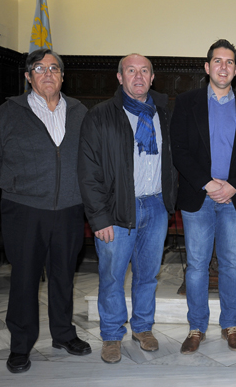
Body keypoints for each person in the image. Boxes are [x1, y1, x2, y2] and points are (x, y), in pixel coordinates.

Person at [0, 49, 91, 373]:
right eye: (40, 68)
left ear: (62, 76)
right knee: (24, 279)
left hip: (69, 209)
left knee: (63, 276)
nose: (48, 73)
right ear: (28, 76)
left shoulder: (80, 111)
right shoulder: (9, 112)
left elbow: (91, 157)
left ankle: (63, 334)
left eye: (54, 68)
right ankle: (20, 345)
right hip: (24, 210)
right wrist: (13, 183)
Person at [77, 54, 178, 364]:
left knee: (148, 275)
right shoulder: (100, 115)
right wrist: (99, 218)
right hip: (116, 209)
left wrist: (171, 199)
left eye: (144, 70)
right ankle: (111, 334)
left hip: (156, 206)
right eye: (131, 70)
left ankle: (143, 327)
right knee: (112, 275)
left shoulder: (164, 113)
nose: (138, 76)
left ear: (152, 77)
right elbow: (88, 171)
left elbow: (175, 160)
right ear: (120, 77)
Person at [170, 39, 236, 354]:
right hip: (199, 197)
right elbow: (179, 150)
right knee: (196, 265)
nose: (224, 67)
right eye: (218, 61)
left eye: (230, 62)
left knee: (231, 265)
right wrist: (208, 184)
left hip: (234, 199)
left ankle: (230, 325)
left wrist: (233, 185)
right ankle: (196, 327)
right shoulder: (187, 102)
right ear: (207, 67)